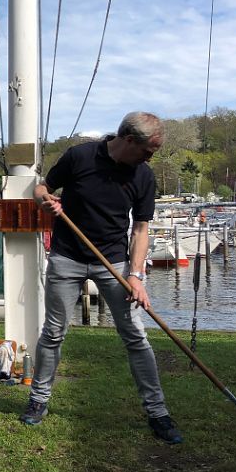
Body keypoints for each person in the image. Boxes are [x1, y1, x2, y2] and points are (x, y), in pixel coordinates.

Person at [21, 111, 183, 444]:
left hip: (114, 264)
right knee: (53, 332)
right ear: (129, 140)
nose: (150, 157)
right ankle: (38, 400)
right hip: (67, 258)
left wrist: (136, 275)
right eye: (148, 151)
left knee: (135, 336)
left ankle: (158, 412)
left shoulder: (143, 176)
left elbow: (140, 229)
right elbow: (41, 188)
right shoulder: (80, 156)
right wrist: (45, 202)